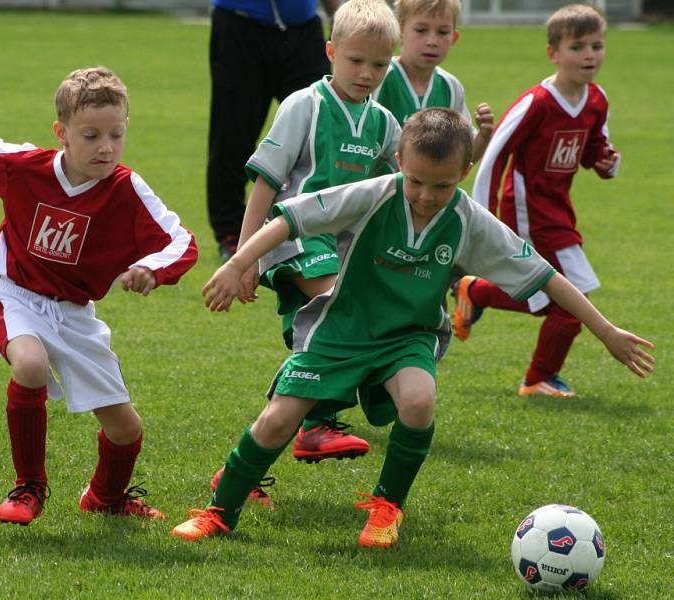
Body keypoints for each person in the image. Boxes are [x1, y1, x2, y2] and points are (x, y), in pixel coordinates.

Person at [171, 108, 653, 547]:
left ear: (464, 173)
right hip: (343, 328)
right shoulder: (371, 194)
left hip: (409, 336)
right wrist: (237, 263)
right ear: (398, 160)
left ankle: (386, 508)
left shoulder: (470, 222)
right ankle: (219, 511)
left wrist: (606, 331)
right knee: (278, 420)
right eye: (416, 181)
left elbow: (546, 276)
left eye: (442, 186)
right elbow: (290, 219)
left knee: (419, 402)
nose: (426, 196)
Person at [0, 66, 198, 526]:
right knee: (30, 365)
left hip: (75, 315)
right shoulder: (25, 168)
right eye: (91, 135)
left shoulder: (127, 189)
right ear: (62, 133)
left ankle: (105, 497)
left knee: (126, 428)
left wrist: (151, 268)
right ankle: (29, 485)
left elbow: (181, 241)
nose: (106, 147)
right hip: (13, 295)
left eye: (116, 134)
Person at [222, 0, 403, 489]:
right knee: (344, 311)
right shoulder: (304, 104)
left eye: (380, 65)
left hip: (343, 251)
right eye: (356, 61)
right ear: (330, 52)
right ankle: (319, 425)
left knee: (322, 344)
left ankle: (245, 466)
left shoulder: (384, 122)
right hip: (293, 240)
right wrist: (245, 260)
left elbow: (412, 183)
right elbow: (264, 182)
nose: (367, 73)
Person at [455, 4, 620, 397]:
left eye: (596, 46)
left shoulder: (596, 100)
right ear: (553, 53)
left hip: (559, 212)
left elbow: (595, 150)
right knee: (573, 302)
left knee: (552, 301)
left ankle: (475, 291)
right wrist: (486, 217)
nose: (589, 55)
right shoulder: (538, 102)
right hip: (527, 215)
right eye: (577, 47)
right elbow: (494, 154)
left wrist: (606, 162)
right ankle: (538, 378)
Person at [207, 0, 340, 261]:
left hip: (303, 30)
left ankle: (323, 222)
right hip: (240, 26)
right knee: (233, 135)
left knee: (324, 129)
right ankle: (231, 233)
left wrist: (338, 16)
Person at [372, 0, 493, 162]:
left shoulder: (450, 87)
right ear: (399, 32)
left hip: (430, 188)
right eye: (421, 30)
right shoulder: (381, 78)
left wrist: (484, 136)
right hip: (384, 187)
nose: (432, 41)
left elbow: (462, 159)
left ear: (454, 37)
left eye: (442, 32)